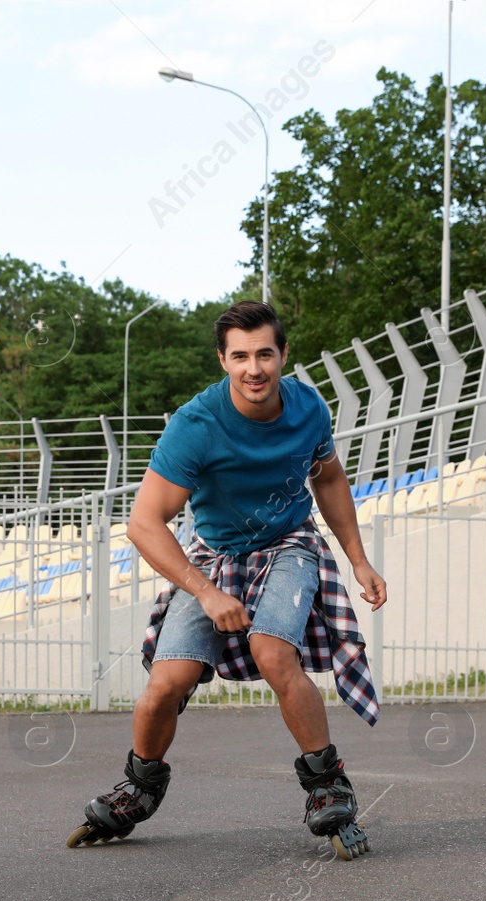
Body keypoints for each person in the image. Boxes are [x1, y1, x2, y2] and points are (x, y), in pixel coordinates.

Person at [66, 301, 386, 860]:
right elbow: (143, 523)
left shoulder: (309, 407)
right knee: (166, 683)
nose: (254, 369)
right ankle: (140, 786)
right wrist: (207, 592)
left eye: (265, 354)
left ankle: (327, 786)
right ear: (223, 360)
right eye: (240, 357)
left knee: (272, 651)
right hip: (213, 556)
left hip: (288, 544)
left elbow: (329, 477)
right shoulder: (196, 425)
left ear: (284, 355)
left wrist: (357, 559)